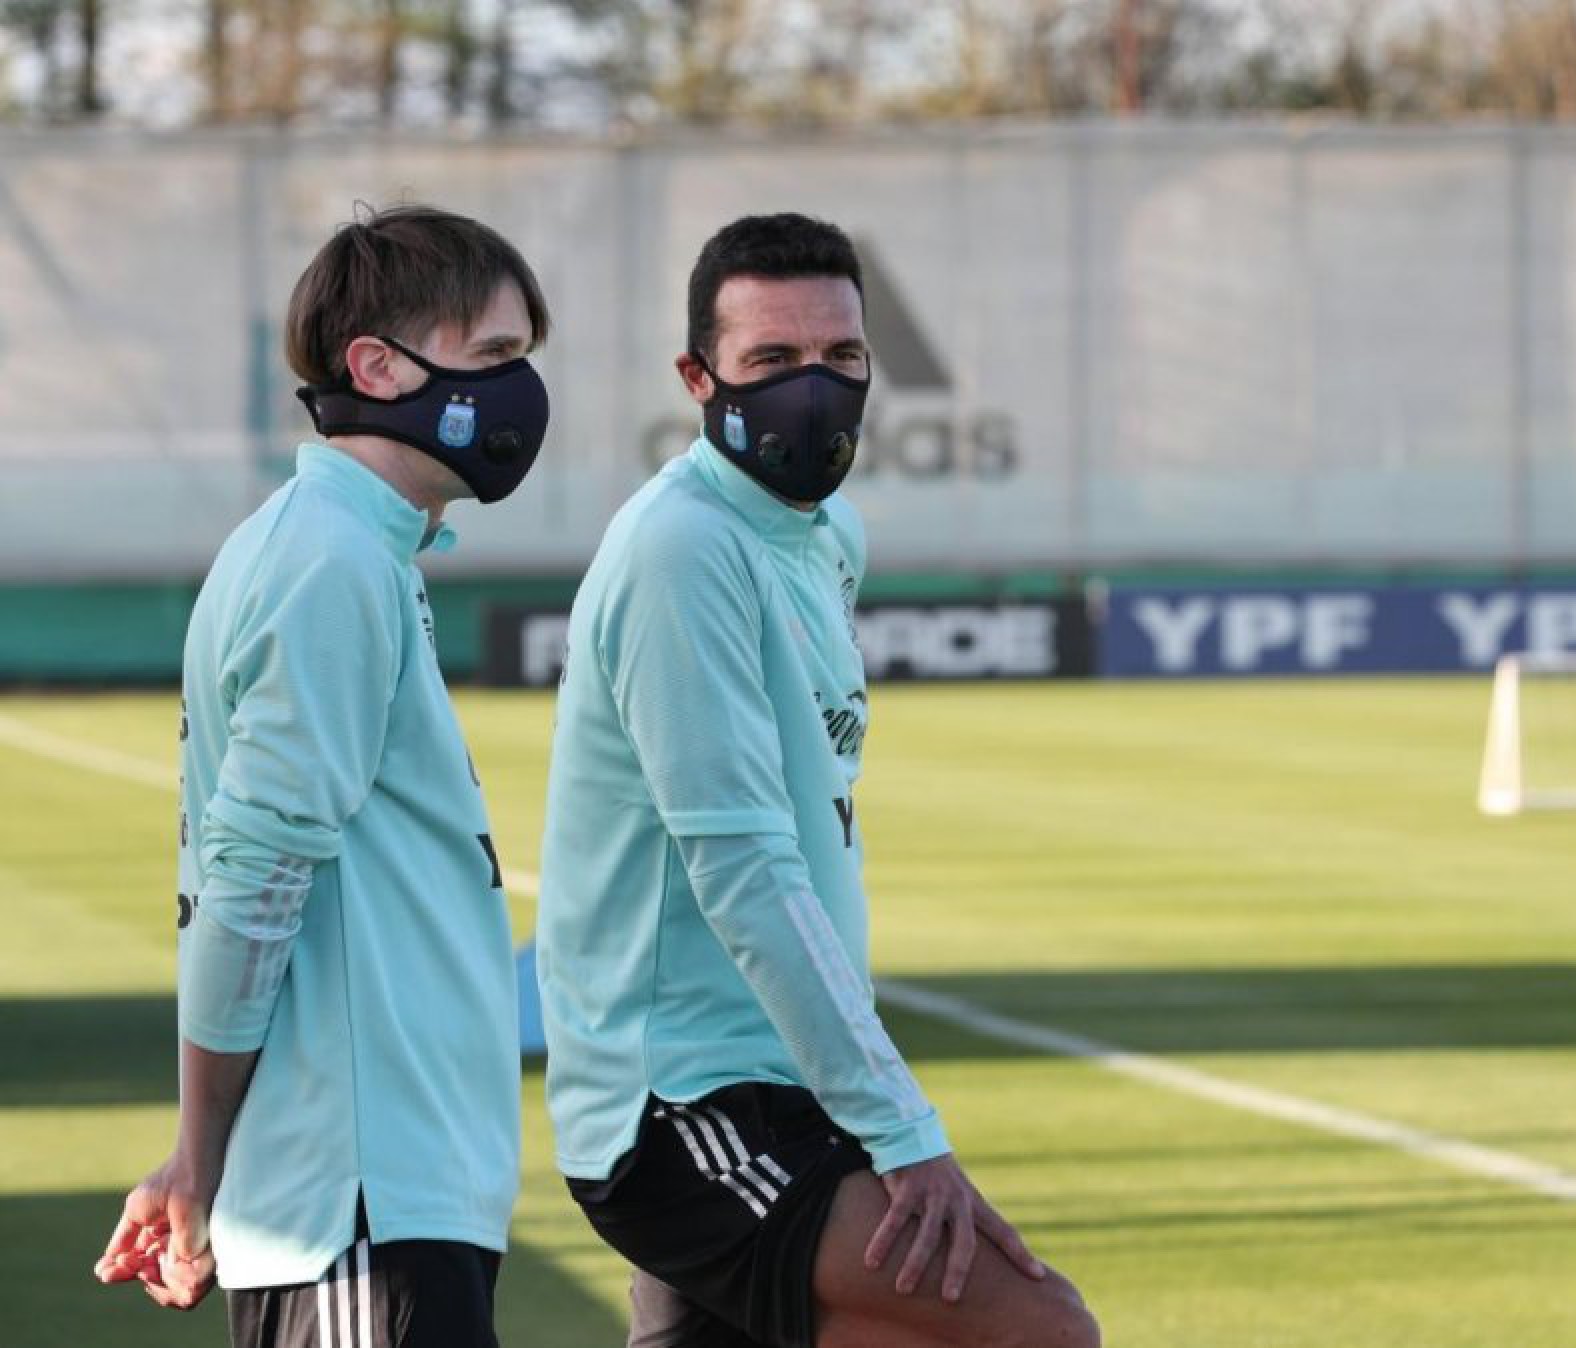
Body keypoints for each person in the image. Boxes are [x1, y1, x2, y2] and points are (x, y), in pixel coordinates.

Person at [536, 212, 1099, 1348]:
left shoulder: (828, 530)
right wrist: (904, 1131)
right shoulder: (680, 551)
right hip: (684, 1100)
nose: (814, 389)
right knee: (1035, 1329)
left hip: (782, 1078)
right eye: (772, 362)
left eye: (842, 359)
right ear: (698, 378)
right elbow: (745, 865)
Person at [94, 203, 552, 1346]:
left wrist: (203, 1147)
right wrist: (202, 1157)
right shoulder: (333, 560)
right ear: (378, 366)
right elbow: (252, 881)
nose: (522, 390)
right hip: (362, 1199)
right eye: (496, 356)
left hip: (388, 1189)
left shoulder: (344, 548)